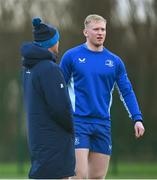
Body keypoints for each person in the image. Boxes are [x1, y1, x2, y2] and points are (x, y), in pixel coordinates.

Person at [59, 14, 145, 179]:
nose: (100, 33)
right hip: (78, 122)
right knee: (79, 174)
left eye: (103, 29)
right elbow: (58, 88)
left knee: (97, 177)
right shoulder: (71, 56)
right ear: (85, 32)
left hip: (102, 123)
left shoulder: (115, 62)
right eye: (96, 29)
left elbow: (126, 91)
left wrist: (137, 118)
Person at [20, 17, 75, 179]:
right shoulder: (50, 69)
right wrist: (72, 128)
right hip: (54, 145)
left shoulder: (28, 68)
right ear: (51, 43)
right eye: (57, 40)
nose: (59, 43)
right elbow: (60, 108)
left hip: (39, 141)